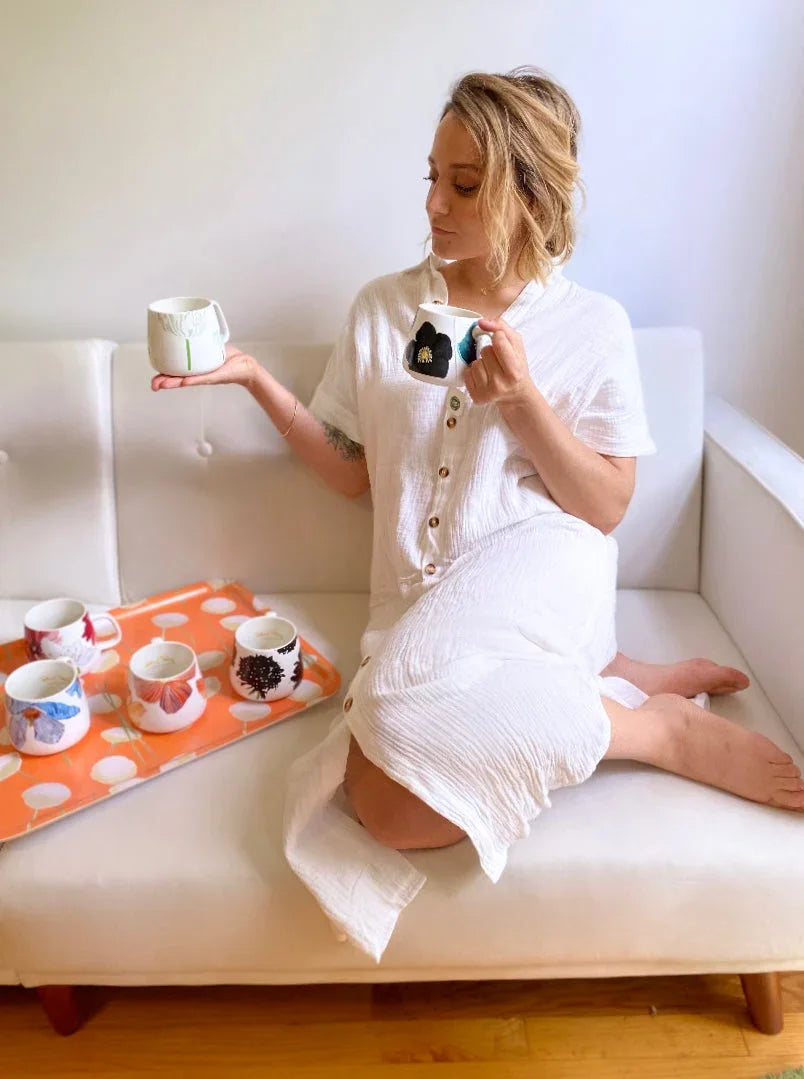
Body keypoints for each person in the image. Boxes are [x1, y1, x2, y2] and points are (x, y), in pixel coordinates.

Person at [152, 67, 802, 958]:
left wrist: (524, 401)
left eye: (464, 184)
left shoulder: (593, 324)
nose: (433, 204)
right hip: (422, 617)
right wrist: (256, 380)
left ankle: (656, 733)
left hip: (545, 567)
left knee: (391, 774)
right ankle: (607, 678)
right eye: (431, 176)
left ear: (532, 195)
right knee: (385, 800)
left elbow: (604, 508)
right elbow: (351, 474)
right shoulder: (384, 309)